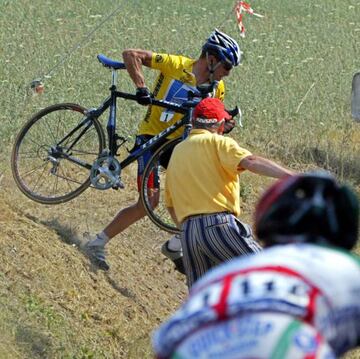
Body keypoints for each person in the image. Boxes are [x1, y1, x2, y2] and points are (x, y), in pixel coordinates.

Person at [153, 171, 360, 359]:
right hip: (285, 344)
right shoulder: (344, 266)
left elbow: (165, 342)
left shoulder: (225, 274)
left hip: (186, 346)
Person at [85, 29, 242, 271]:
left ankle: (177, 243)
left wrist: (225, 124)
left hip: (177, 145)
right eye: (227, 66)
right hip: (151, 136)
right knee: (148, 202)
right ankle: (96, 243)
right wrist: (141, 87)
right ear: (212, 59)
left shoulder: (216, 88)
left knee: (197, 192)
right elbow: (130, 54)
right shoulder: (176, 65)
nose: (228, 74)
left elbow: (210, 120)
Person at [165, 97, 295, 288]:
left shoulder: (178, 151)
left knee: (205, 301)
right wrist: (291, 175)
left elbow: (170, 205)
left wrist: (189, 228)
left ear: (193, 122)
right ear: (220, 124)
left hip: (188, 234)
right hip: (218, 226)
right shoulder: (219, 142)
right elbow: (250, 162)